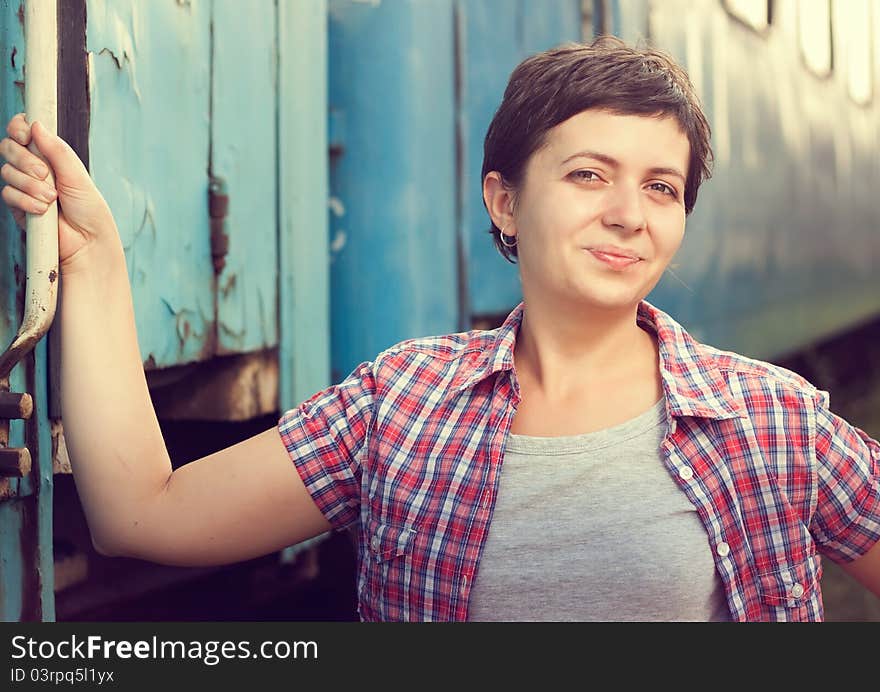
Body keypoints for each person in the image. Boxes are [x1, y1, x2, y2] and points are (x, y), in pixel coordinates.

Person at [1, 36, 878, 622]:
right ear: (505, 198)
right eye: (587, 174)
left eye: (660, 188)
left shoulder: (774, 419)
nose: (627, 214)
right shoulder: (403, 404)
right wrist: (95, 264)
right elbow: (142, 516)